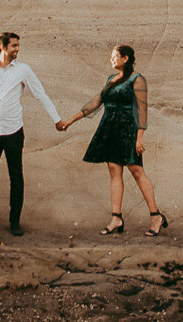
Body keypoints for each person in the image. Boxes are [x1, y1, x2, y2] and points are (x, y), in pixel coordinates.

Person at [57, 44, 167, 236]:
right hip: (110, 129)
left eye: (114, 56)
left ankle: (155, 216)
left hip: (128, 130)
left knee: (136, 170)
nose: (111, 59)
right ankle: (116, 218)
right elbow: (96, 102)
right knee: (114, 170)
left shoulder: (137, 79)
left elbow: (143, 109)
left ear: (125, 58)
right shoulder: (111, 79)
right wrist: (71, 121)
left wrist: (140, 137)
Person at [0, 31, 61, 236]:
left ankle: (15, 222)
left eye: (18, 46)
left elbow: (40, 94)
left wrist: (57, 119)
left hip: (13, 130)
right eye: (14, 46)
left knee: (16, 176)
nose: (17, 49)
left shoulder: (23, 70)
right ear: (3, 47)